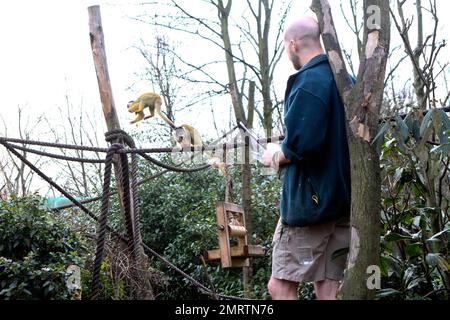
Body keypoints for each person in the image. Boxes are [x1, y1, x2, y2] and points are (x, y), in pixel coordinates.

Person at [262, 16, 351, 300]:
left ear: (293, 44)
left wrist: (276, 154)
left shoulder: (310, 81)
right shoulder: (346, 79)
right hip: (343, 203)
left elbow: (303, 145)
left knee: (281, 286)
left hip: (311, 207)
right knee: (327, 287)